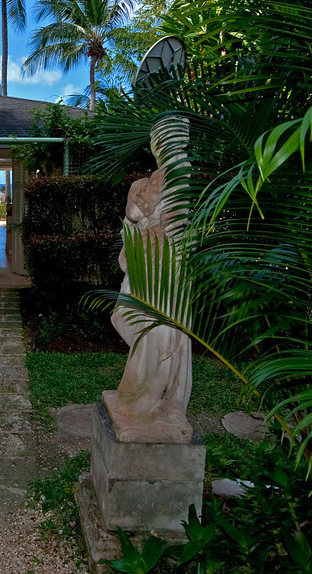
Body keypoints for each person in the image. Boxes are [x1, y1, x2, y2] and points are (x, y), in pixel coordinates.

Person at [103, 167, 193, 444]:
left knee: (163, 332)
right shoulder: (142, 184)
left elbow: (182, 229)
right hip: (142, 262)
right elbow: (133, 215)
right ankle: (136, 393)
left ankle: (159, 403)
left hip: (170, 273)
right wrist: (153, 188)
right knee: (136, 322)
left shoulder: (183, 190)